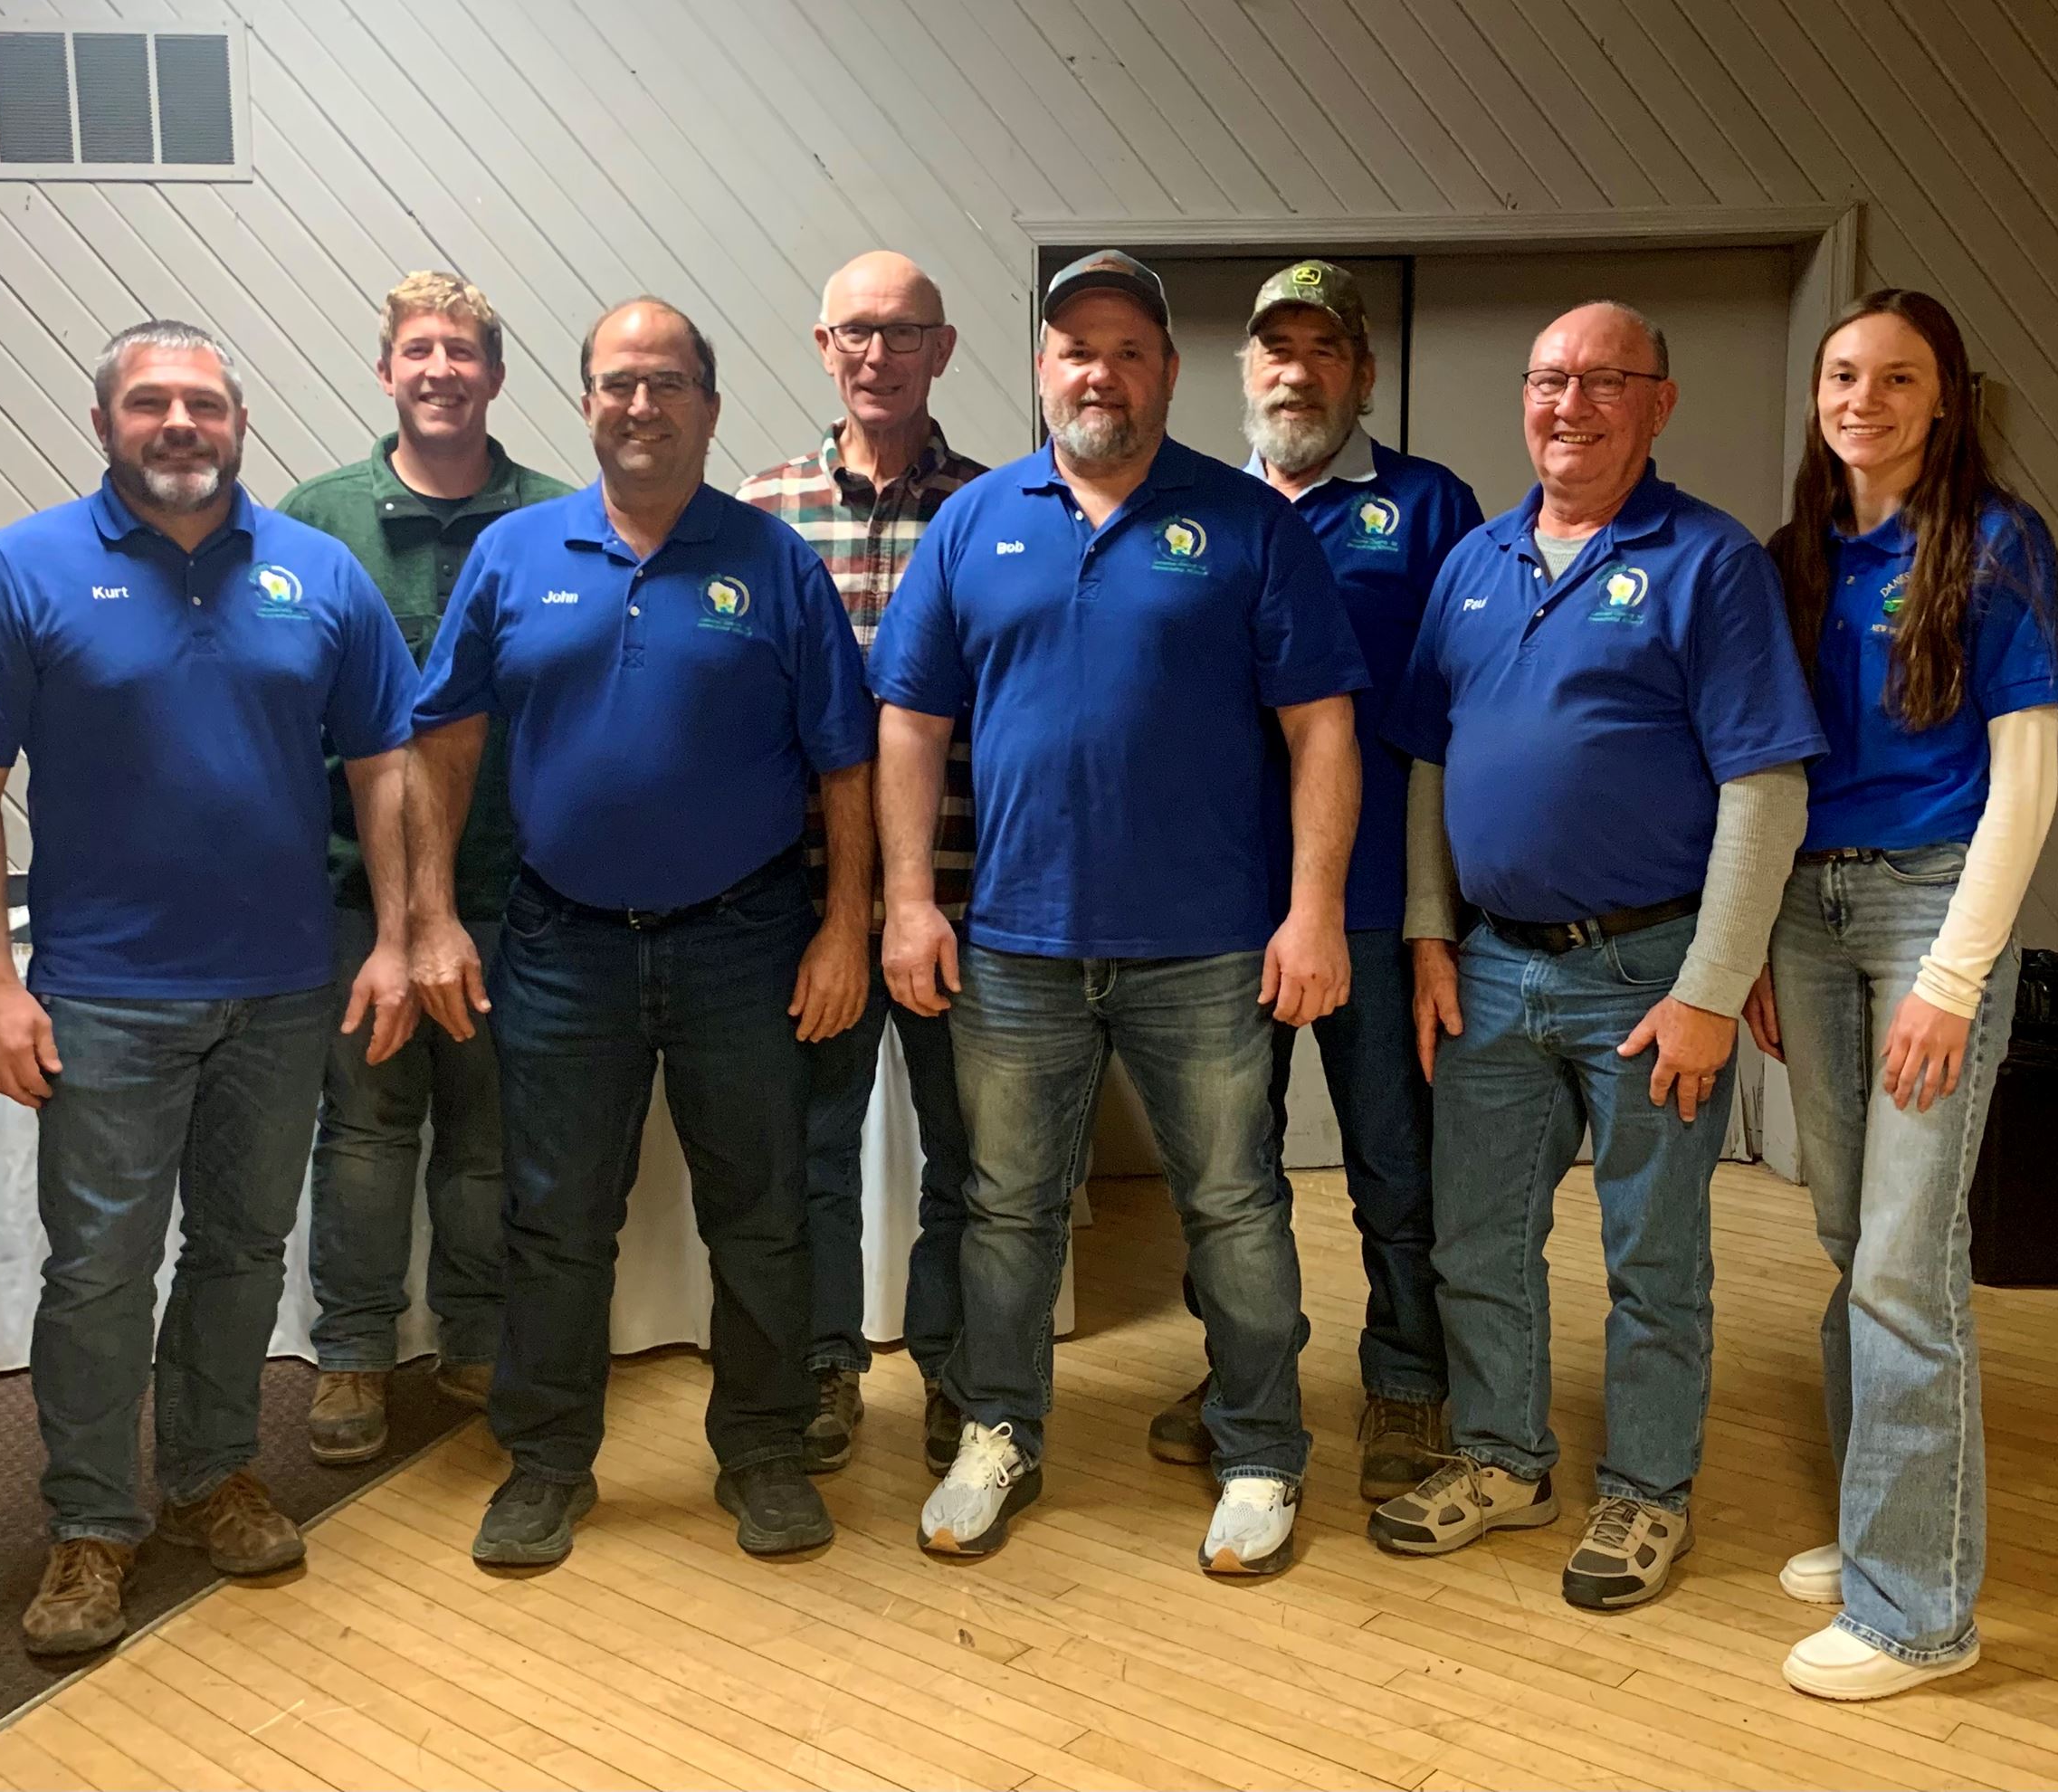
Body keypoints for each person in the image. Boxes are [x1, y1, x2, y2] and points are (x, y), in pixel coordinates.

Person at [0, 320, 419, 1655]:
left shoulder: (320, 577)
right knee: (101, 1271)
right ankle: (90, 1524)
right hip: (103, 996)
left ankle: (208, 1477)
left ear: (238, 420)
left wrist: (402, 934)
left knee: (244, 1251)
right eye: (150, 403)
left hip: (287, 987)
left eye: (202, 402)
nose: (179, 423)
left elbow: (385, 766)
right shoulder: (22, 569)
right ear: (107, 424)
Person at [870, 250, 1368, 1578]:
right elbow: (909, 723)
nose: (1100, 370)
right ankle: (1000, 1429)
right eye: (1075, 347)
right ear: (1041, 369)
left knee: (1235, 1207)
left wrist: (1312, 910)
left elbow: (1323, 730)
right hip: (1017, 946)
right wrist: (908, 902)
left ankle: (1261, 1447)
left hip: (1206, 946)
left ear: (1167, 369)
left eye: (1128, 348)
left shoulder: (1246, 524)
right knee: (1006, 1209)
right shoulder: (978, 522)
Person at [405, 299, 876, 1567]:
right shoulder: (513, 555)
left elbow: (847, 764)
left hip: (746, 940)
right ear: (585, 402)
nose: (641, 405)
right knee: (555, 1219)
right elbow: (441, 740)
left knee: (764, 1214)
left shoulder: (774, 564)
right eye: (618, 382)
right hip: (563, 948)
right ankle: (549, 1463)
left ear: (708, 409)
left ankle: (766, 1453)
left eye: (667, 383)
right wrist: (433, 915)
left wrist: (844, 929)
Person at [1377, 301, 1826, 1610]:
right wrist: (1424, 931)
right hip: (1494, 966)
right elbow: (1430, 760)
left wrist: (1708, 988)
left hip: (1649, 975)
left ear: (1658, 404)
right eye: (1549, 379)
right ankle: (1505, 1460)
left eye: (1603, 381)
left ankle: (1646, 1495)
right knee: (1478, 1242)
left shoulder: (1709, 562)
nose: (1569, 404)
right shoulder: (1474, 561)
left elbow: (1766, 788)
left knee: (1655, 1257)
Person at [1744, 291, 2058, 1700]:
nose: (1862, 397)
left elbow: (2029, 783)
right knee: (1844, 1233)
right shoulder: (1794, 557)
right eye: (1841, 374)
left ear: (1945, 402)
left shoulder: (1998, 547)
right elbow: (1761, 776)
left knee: (1904, 1259)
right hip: (1807, 915)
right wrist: (1751, 941)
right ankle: (1884, 1514)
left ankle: (1916, 1611)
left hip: (1929, 911)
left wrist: (1953, 975)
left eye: (1896, 377)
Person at [1147, 260, 1483, 1504]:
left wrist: (1444, 913)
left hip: (1383, 905)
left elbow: (1459, 719)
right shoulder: (1191, 508)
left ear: (1363, 372)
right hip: (1221, 911)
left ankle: (1407, 1378)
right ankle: (1247, 1368)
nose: (1297, 369)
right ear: (1243, 371)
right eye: (1274, 348)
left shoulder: (1430, 507)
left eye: (1324, 349)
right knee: (1226, 1168)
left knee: (1398, 1163)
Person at [281, 272, 570, 1466]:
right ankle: (350, 1351)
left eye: (463, 351)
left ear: (495, 376)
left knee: (491, 1133)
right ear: (387, 371)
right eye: (420, 350)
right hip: (359, 891)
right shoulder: (318, 518)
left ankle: (475, 1332)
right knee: (363, 1129)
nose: (442, 368)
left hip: (518, 885)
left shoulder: (559, 514)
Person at [738, 251, 987, 1478]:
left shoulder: (1003, 511)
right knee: (811, 1150)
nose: (878, 354)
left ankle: (952, 1370)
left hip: (969, 896)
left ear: (943, 349)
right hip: (811, 904)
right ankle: (828, 1364)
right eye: (856, 334)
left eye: (904, 333)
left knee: (971, 1153)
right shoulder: (761, 511)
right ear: (823, 347)